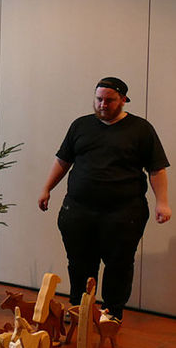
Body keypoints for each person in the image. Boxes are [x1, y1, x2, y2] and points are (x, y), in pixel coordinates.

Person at [38, 77, 170, 323]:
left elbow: (157, 169)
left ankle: (111, 314)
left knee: (118, 264)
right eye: (99, 99)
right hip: (78, 210)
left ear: (123, 100)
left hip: (123, 213)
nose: (102, 105)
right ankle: (80, 308)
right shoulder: (80, 126)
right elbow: (63, 161)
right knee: (79, 262)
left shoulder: (140, 129)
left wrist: (162, 202)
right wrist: (47, 188)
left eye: (109, 100)